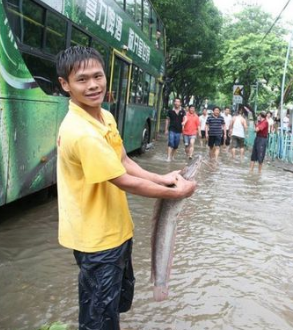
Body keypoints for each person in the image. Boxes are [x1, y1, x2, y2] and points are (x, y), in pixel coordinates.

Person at [55, 46, 196, 330]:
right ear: (65, 84)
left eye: (98, 76)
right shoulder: (80, 132)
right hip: (96, 241)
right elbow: (121, 180)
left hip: (117, 231)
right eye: (82, 79)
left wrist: (162, 177)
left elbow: (122, 160)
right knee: (98, 319)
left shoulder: (104, 117)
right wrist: (175, 193)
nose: (93, 85)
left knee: (114, 306)